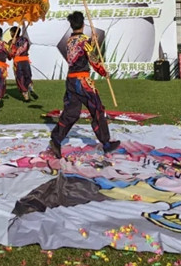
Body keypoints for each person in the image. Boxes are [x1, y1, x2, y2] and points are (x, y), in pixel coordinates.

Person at [44, 11, 121, 160]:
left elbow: (80, 53)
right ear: (83, 24)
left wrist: (92, 42)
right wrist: (103, 71)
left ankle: (56, 139)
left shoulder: (70, 41)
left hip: (71, 81)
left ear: (72, 25)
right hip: (83, 81)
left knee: (71, 113)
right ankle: (106, 143)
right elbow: (92, 59)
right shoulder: (84, 41)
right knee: (97, 109)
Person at [8, 24, 38, 102]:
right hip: (25, 61)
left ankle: (26, 96)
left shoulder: (11, 42)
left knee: (20, 78)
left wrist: (13, 45)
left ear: (13, 33)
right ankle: (30, 86)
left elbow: (11, 54)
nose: (10, 34)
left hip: (18, 62)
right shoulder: (25, 40)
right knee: (27, 75)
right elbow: (26, 48)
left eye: (11, 32)